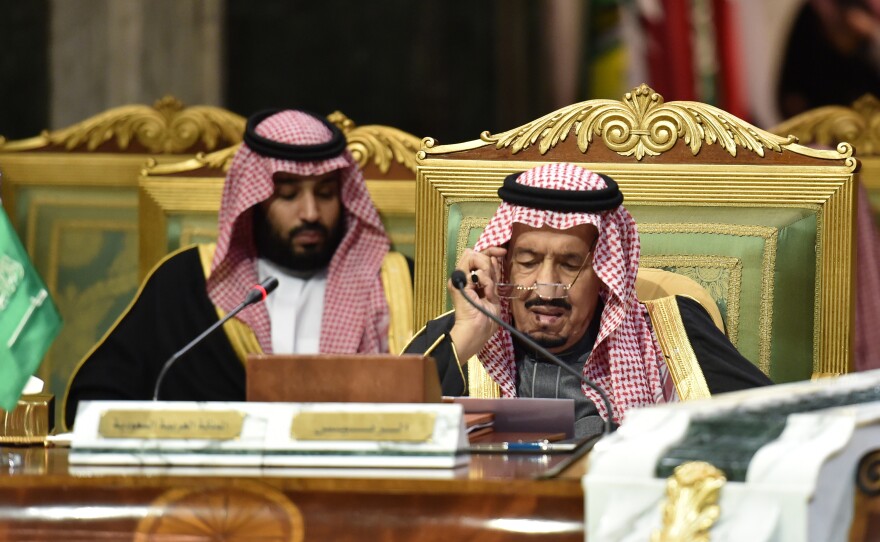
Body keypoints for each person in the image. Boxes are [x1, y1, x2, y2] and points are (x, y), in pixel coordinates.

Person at [64, 110, 411, 428]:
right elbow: (96, 402)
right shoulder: (186, 283)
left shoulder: (395, 283)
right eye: (288, 195)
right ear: (254, 202)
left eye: (325, 193)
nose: (310, 213)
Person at [404, 163, 771, 437]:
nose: (546, 287)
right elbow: (378, 428)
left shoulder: (671, 332)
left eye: (570, 264)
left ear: (603, 272)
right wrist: (468, 334)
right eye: (528, 262)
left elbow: (772, 424)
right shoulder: (459, 342)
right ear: (504, 264)